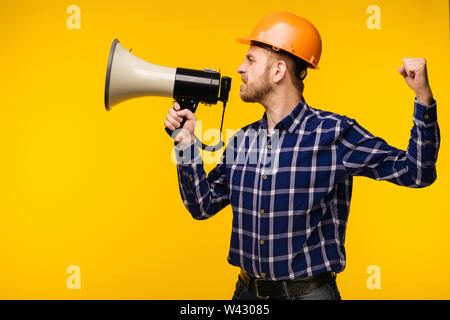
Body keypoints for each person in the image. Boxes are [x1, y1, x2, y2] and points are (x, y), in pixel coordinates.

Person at [164, 11, 440, 300]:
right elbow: (201, 206)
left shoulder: (335, 133)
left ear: (278, 71)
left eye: (250, 60)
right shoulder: (242, 141)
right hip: (247, 294)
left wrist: (423, 97)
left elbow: (417, 172)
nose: (239, 69)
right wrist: (186, 146)